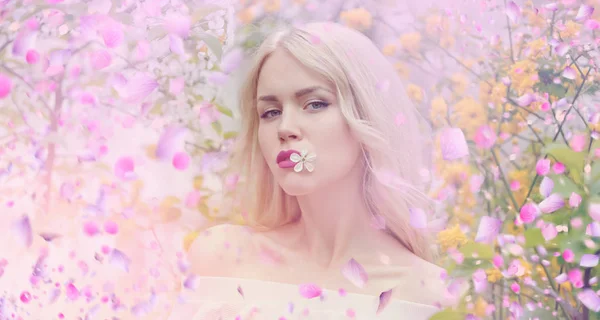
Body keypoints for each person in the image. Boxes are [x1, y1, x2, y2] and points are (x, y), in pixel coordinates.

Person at [181, 21, 452, 319]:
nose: (285, 128)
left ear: (366, 113)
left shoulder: (430, 294)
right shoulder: (221, 256)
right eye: (271, 112)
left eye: (314, 104)